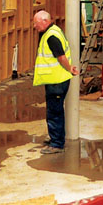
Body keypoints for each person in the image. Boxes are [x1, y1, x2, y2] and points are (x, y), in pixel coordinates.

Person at [33, 10, 78, 154]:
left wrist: (69, 68)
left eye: (36, 23)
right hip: (56, 79)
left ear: (45, 21)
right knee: (55, 111)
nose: (34, 26)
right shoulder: (53, 31)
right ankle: (55, 138)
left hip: (56, 81)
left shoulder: (51, 36)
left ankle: (57, 144)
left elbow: (61, 57)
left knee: (54, 112)